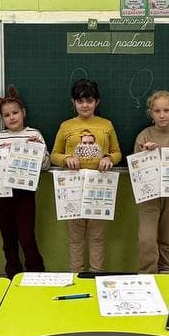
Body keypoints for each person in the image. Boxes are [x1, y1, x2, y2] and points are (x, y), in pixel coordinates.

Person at [50, 78, 121, 273]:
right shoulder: (66, 126)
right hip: (73, 187)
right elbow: (54, 154)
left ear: (97, 102)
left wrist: (109, 158)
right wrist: (65, 159)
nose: (84, 105)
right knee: (75, 237)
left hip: (100, 186)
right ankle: (76, 274)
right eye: (80, 101)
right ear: (73, 102)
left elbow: (117, 152)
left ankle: (96, 273)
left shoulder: (106, 125)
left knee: (97, 236)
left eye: (89, 101)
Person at [0, 85, 49, 278]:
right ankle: (12, 273)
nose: (11, 117)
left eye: (15, 113)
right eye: (6, 115)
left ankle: (36, 273)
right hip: (2, 193)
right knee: (8, 238)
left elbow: (46, 165)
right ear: (2, 118)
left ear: (23, 113)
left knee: (26, 237)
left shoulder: (34, 135)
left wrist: (38, 151)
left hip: (25, 194)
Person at [133, 89, 169, 273]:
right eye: (157, 111)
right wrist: (144, 152)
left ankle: (165, 271)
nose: (162, 115)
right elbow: (136, 168)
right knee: (147, 238)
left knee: (168, 236)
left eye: (166, 110)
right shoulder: (144, 136)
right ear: (151, 113)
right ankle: (147, 273)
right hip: (149, 196)